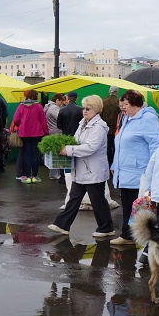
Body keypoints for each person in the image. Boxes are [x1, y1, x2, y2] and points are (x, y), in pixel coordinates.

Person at [48, 95, 115, 238]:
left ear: (96, 110)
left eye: (88, 108)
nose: (84, 111)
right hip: (82, 169)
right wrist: (65, 145)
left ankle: (107, 227)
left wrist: (69, 149)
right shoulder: (83, 123)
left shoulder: (98, 126)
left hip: (93, 170)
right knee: (74, 198)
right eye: (84, 108)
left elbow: (91, 147)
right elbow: (77, 141)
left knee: (98, 201)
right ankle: (62, 224)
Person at [111, 90, 159, 246]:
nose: (123, 108)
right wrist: (115, 164)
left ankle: (152, 240)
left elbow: (156, 145)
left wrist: (152, 171)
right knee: (128, 205)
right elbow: (120, 145)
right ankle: (128, 235)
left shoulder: (147, 119)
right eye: (122, 104)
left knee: (142, 208)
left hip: (139, 172)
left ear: (136, 104)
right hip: (125, 171)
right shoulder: (127, 118)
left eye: (126, 104)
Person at [12, 89, 49, 183]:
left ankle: (27, 176)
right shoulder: (39, 106)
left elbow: (15, 120)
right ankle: (35, 176)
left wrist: (21, 124)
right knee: (35, 155)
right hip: (37, 133)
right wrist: (46, 133)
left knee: (26, 155)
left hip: (24, 133)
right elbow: (43, 121)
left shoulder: (21, 106)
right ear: (36, 96)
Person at [45, 92, 65, 180]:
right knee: (56, 154)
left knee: (53, 153)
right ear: (57, 100)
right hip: (56, 132)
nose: (61, 104)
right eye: (61, 102)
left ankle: (53, 173)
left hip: (51, 131)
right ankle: (54, 174)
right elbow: (60, 118)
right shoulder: (54, 108)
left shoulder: (49, 107)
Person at [101, 85, 120, 167]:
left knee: (107, 149)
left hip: (106, 129)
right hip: (117, 129)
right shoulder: (119, 102)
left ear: (110, 92)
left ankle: (107, 165)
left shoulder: (103, 102)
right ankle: (115, 165)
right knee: (116, 148)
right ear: (117, 92)